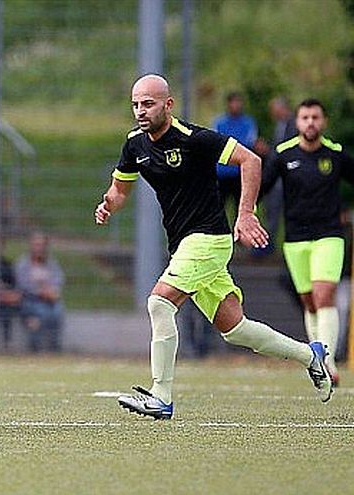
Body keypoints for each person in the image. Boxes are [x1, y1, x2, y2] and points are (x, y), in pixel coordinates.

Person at [95, 75, 333, 420]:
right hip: (184, 245)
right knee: (236, 329)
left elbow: (250, 160)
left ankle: (161, 396)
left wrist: (246, 213)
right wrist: (108, 205)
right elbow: (119, 190)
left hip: (208, 238)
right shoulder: (135, 144)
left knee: (159, 303)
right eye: (135, 104)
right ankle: (309, 356)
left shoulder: (195, 138)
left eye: (148, 104)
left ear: (168, 104)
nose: (140, 111)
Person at [261, 98, 354, 386]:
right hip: (296, 240)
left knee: (324, 295)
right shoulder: (282, 155)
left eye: (315, 117)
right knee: (310, 302)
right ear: (297, 122)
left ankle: (327, 363)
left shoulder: (336, 155)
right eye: (305, 117)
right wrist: (246, 213)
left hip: (329, 236)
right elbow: (260, 187)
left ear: (323, 121)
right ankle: (318, 359)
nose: (310, 122)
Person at [253, 96, 300, 256]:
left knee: (281, 208)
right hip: (276, 173)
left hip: (287, 174)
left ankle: (275, 244)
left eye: (274, 109)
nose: (272, 113)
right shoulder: (279, 125)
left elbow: (288, 149)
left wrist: (270, 151)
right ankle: (267, 243)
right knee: (271, 208)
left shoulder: (293, 124)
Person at [14, 231, 64, 352]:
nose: (38, 248)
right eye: (36, 245)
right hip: (30, 300)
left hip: (50, 300)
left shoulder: (51, 264)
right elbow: (23, 284)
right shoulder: (23, 264)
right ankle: (35, 350)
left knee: (57, 312)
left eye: (41, 245)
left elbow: (58, 280)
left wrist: (52, 292)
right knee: (39, 314)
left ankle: (54, 348)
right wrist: (40, 291)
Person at [213, 92, 259, 207]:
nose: (236, 105)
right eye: (233, 102)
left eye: (238, 102)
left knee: (239, 207)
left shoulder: (248, 122)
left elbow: (250, 142)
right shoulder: (220, 123)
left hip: (240, 173)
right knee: (218, 207)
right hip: (222, 172)